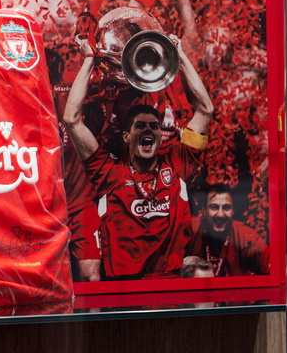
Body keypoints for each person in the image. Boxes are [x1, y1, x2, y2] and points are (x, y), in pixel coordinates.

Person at [63, 35, 214, 280]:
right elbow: (71, 119)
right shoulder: (109, 170)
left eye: (154, 126)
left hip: (169, 282)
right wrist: (89, 59)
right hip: (125, 287)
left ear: (160, 135)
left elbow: (205, 110)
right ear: (126, 136)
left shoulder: (178, 161)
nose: (148, 131)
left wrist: (179, 55)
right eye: (140, 126)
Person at [186, 185, 269, 276]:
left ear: (233, 211)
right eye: (214, 207)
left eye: (226, 208)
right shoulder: (190, 230)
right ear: (204, 210)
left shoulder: (247, 237)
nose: (220, 215)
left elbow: (273, 269)